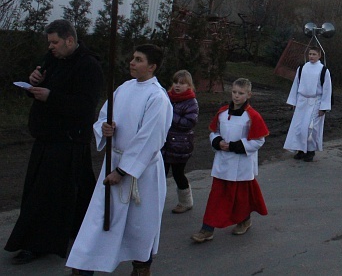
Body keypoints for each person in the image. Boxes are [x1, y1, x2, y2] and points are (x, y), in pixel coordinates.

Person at [67, 44, 173, 276]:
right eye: (133, 58)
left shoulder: (157, 97)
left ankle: (141, 268)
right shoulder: (124, 88)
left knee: (140, 226)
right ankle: (84, 266)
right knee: (100, 220)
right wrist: (104, 128)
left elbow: (150, 138)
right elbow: (105, 115)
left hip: (141, 173)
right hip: (114, 163)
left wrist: (123, 171)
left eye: (138, 59)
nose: (132, 63)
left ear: (152, 66)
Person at [5, 19, 103, 265]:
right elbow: (41, 88)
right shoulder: (53, 59)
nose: (51, 47)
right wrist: (34, 83)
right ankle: (86, 227)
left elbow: (84, 106)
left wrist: (50, 96)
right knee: (76, 189)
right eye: (49, 42)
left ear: (70, 40)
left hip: (67, 140)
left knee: (47, 194)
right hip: (48, 137)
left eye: (55, 42)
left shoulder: (88, 66)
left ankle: (37, 243)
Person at [191, 78, 269, 243]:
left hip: (241, 164)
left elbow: (259, 140)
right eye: (234, 92)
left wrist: (236, 146)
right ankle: (207, 228)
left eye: (240, 93)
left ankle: (244, 220)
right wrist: (217, 141)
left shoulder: (252, 116)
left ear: (248, 95)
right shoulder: (223, 113)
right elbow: (214, 131)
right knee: (216, 196)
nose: (236, 96)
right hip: (223, 162)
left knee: (240, 198)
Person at [283, 46, 332, 162]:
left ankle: (310, 151)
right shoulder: (302, 68)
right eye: (310, 54)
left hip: (315, 101)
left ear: (319, 56)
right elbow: (296, 84)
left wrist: (323, 107)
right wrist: (293, 101)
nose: (311, 56)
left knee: (311, 127)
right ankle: (300, 149)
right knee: (299, 126)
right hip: (302, 101)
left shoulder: (323, 70)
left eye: (314, 54)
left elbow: (327, 89)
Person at [162, 70, 199, 214]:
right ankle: (155, 201)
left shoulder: (191, 102)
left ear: (189, 86)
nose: (178, 86)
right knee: (160, 174)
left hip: (180, 146)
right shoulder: (167, 97)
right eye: (176, 82)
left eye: (182, 83)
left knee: (178, 174)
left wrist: (170, 114)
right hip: (164, 144)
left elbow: (188, 123)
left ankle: (186, 201)